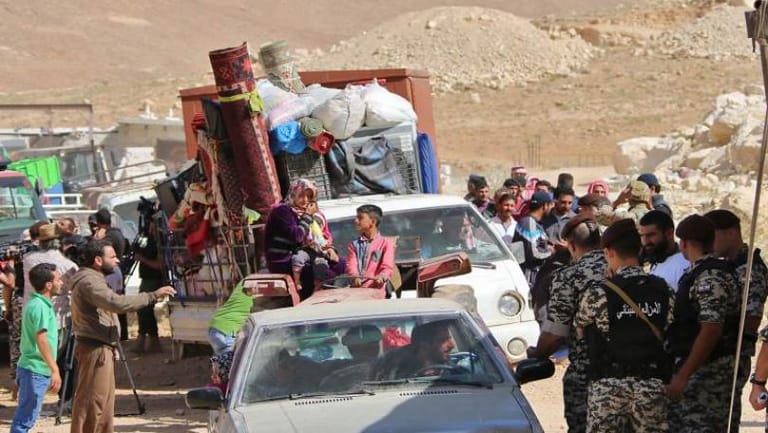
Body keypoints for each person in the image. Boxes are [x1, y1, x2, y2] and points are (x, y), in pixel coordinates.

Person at [574, 219, 674, 432]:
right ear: (639, 250)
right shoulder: (663, 290)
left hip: (608, 388)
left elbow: (581, 328)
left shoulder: (598, 293)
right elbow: (671, 328)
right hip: (651, 385)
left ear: (609, 252)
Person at [69, 239, 176, 433]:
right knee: (94, 402)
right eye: (112, 257)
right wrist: (152, 295)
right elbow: (116, 303)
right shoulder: (89, 281)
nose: (117, 260)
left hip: (101, 347)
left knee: (103, 403)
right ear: (98, 260)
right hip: (95, 349)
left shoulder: (93, 279)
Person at [527, 215, 606, 433]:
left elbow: (555, 334)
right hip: (634, 372)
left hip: (588, 374)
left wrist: (538, 353)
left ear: (571, 246)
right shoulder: (620, 267)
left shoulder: (569, 276)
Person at [666, 214, 741, 432]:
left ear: (684, 243)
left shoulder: (710, 276)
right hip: (696, 370)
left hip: (708, 375)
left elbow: (711, 329)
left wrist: (683, 376)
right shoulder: (697, 273)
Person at [705, 208, 768, 428]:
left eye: (712, 236)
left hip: (731, 354)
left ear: (731, 233)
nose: (709, 243)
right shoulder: (727, 265)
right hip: (718, 353)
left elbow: (751, 317)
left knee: (722, 417)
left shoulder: (749, 268)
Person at [265, 178, 343, 298]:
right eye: (301, 195)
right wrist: (307, 216)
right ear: (293, 194)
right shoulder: (282, 211)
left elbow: (322, 236)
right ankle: (312, 297)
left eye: (309, 196)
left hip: (307, 255)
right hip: (284, 260)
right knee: (324, 273)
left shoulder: (315, 214)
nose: (305, 200)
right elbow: (297, 236)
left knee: (340, 263)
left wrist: (330, 249)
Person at [10, 263, 63, 433]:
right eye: (58, 279)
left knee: (27, 415)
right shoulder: (40, 306)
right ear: (48, 285)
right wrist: (54, 369)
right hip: (35, 370)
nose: (61, 282)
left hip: (31, 368)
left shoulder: (35, 304)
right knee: (25, 419)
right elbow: (42, 340)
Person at [372, 320, 455, 380]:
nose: (452, 345)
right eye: (442, 340)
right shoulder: (396, 369)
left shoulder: (454, 370)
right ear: (424, 345)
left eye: (449, 339)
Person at [131, 219, 165, 353]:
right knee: (143, 310)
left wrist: (142, 259)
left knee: (144, 309)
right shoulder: (149, 240)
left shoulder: (160, 242)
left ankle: (146, 340)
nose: (149, 226)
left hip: (153, 280)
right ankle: (149, 340)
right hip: (147, 279)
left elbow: (159, 265)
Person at [346, 204, 395, 291]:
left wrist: (382, 277)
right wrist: (355, 277)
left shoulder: (386, 244)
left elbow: (387, 267)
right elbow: (351, 265)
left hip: (377, 290)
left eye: (360, 218)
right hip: (357, 290)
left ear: (373, 222)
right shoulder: (353, 245)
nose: (356, 220)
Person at [639, 210, 689, 292]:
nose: (645, 242)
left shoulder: (684, 264)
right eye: (642, 236)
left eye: (650, 235)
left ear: (669, 233)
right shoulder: (654, 260)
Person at [512, 191, 554, 287]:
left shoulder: (534, 223)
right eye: (550, 205)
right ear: (545, 206)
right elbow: (533, 253)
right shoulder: (528, 223)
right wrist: (550, 252)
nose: (551, 208)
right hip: (527, 277)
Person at [207, 281, 255, 355]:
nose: (256, 288)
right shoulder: (244, 295)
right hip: (227, 331)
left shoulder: (239, 292)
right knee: (228, 355)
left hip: (216, 328)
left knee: (222, 355)